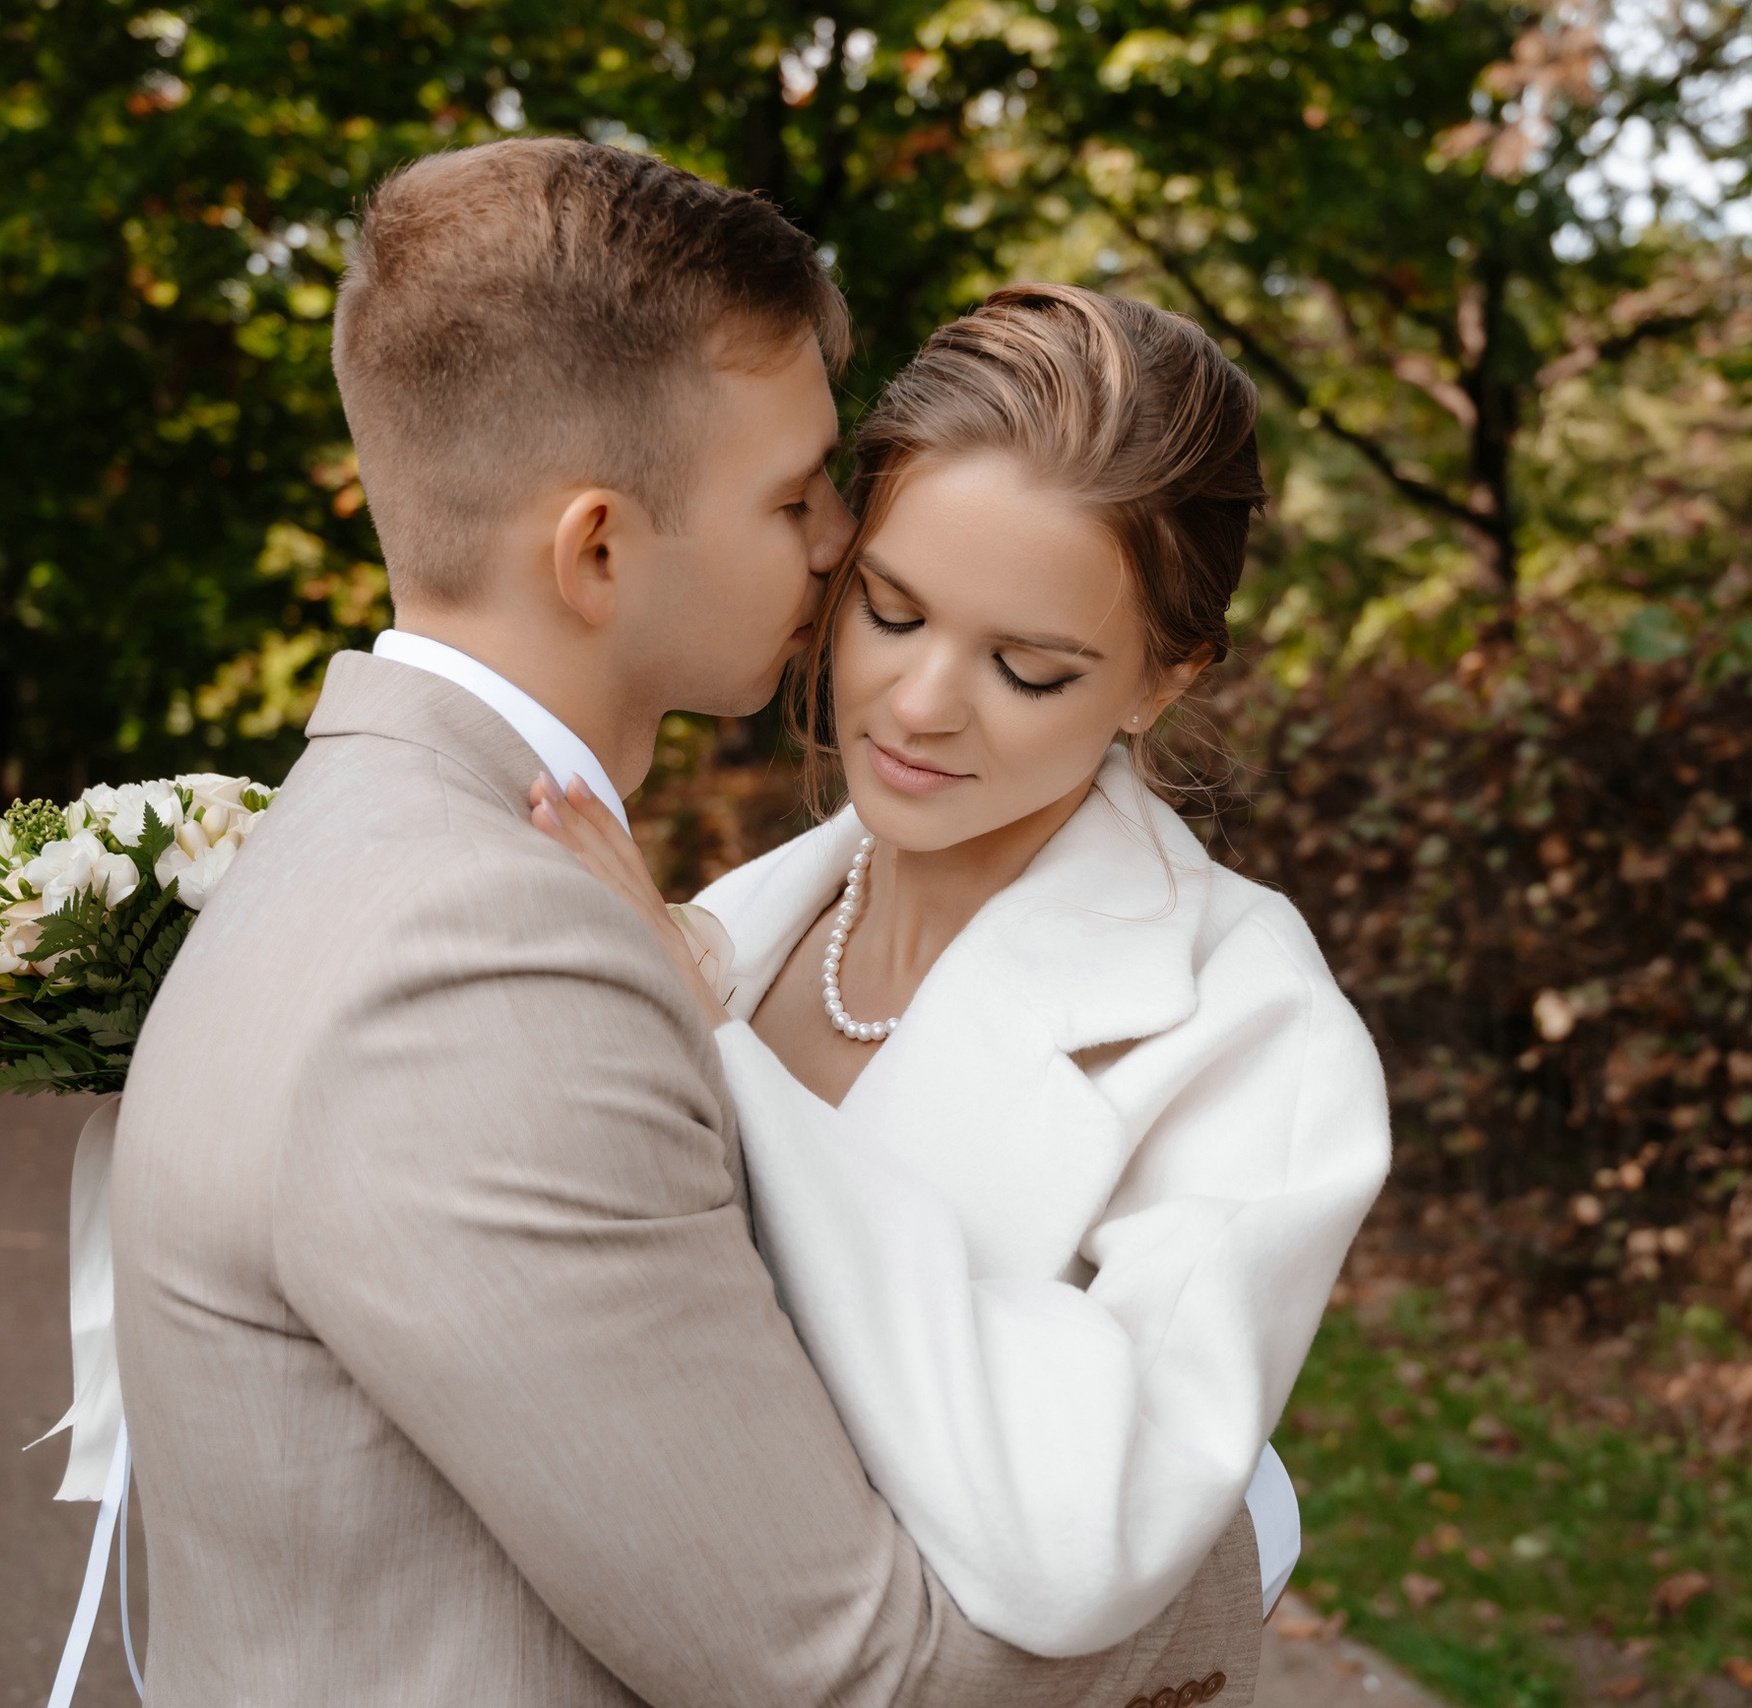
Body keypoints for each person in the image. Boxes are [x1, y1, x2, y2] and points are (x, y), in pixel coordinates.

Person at [110, 141, 1267, 1707]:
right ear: (596, 550)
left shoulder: (344, 849)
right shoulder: (476, 966)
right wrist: (1234, 1534)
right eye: (795, 496)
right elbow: (845, 1665)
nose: (835, 544)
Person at [530, 285, 1391, 1658]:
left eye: (1030, 668)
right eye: (890, 609)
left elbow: (1082, 1546)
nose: (920, 705)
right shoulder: (732, 921)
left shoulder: (1257, 1034)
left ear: (1163, 679)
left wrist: (721, 1057)